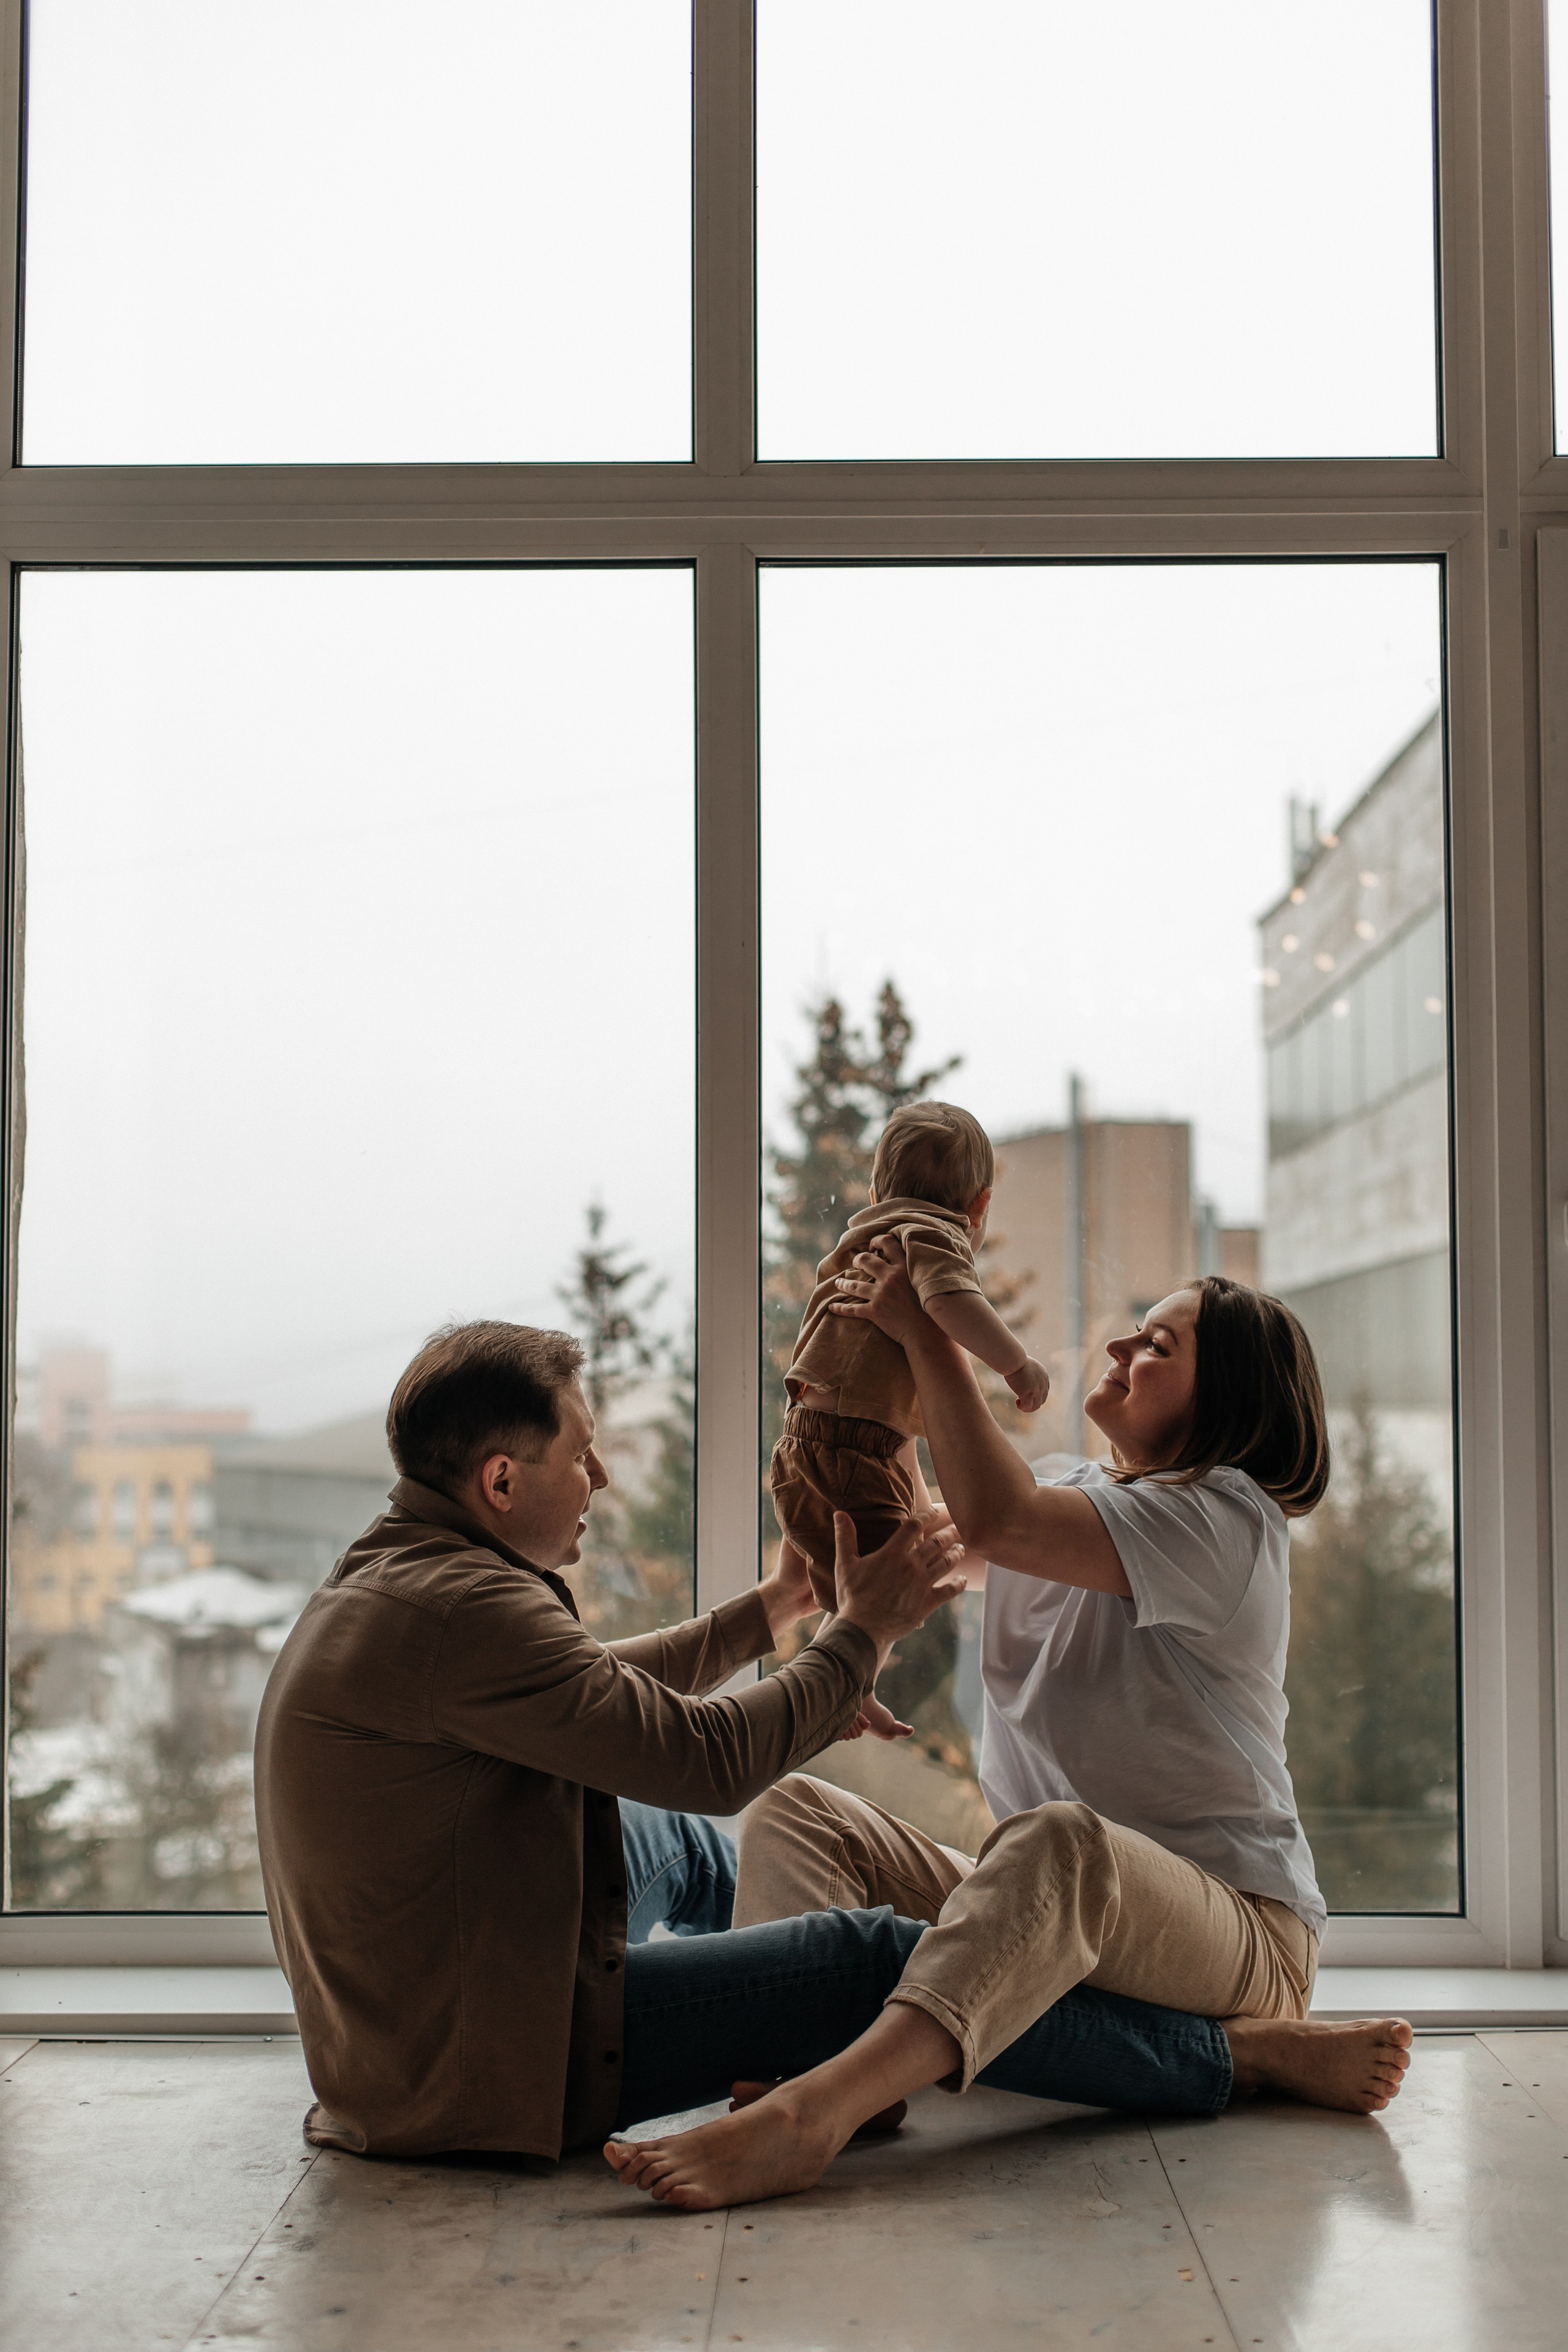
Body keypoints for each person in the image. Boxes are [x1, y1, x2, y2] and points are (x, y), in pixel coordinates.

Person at [254, 1317, 1245, 2162]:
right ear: (503, 1480)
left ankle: (796, 2022)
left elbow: (600, 1692)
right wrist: (861, 1636)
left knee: (682, 1850)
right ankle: (1223, 2056)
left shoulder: (408, 1575)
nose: (601, 1474)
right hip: (492, 2067)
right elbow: (707, 1762)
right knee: (869, 1960)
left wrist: (777, 1606)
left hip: (439, 2007)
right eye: (581, 1454)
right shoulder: (459, 1610)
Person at [605, 1267, 1413, 2212]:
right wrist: (837, 1583)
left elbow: (998, 1517)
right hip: (1057, 1902)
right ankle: (790, 2064)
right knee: (799, 1814)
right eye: (1136, 1331)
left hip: (1241, 1935)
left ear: (1230, 1398)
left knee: (1058, 1837)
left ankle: (812, 2115)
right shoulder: (1078, 1494)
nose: (1120, 1349)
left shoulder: (1226, 1522)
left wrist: (927, 1335)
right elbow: (913, 1551)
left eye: (1158, 1346)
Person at [772, 1099, 1050, 1614]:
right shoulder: (933, 1233)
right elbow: (950, 1303)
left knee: (859, 1586)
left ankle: (852, 1688)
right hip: (857, 1449)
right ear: (980, 1206)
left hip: (801, 1436)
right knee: (882, 1595)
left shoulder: (859, 1240)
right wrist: (1017, 1365)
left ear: (876, 1193)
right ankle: (855, 1691)